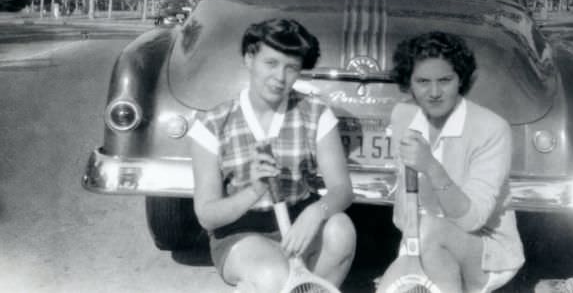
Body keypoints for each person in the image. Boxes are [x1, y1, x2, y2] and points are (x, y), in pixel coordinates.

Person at [188, 18, 356, 292]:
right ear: (249, 59)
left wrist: (316, 212)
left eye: (291, 68)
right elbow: (207, 216)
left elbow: (343, 190)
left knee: (341, 230)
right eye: (271, 63)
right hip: (241, 232)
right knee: (274, 274)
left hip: (300, 221)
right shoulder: (213, 124)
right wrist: (254, 190)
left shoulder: (314, 113)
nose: (280, 77)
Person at [379, 31, 524, 293]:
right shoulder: (403, 115)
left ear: (461, 80)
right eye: (422, 81)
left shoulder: (492, 129)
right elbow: (404, 209)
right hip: (420, 241)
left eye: (445, 80)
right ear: (409, 82)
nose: (434, 93)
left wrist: (432, 167)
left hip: (483, 247)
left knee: (432, 232)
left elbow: (472, 220)